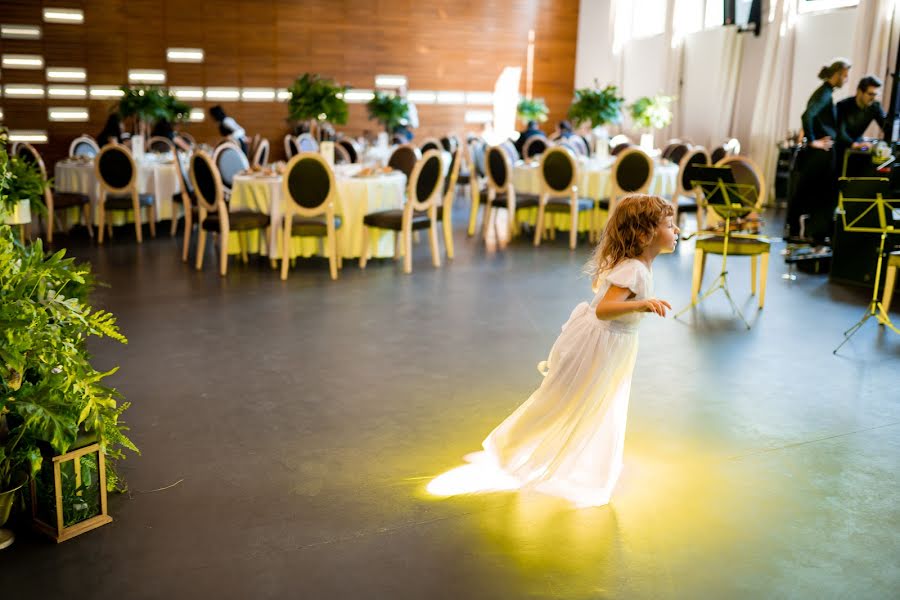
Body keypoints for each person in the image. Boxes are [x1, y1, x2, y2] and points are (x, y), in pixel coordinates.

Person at [435, 195, 678, 507]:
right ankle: (515, 447)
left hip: (614, 343)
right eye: (669, 225)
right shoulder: (634, 270)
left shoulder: (638, 265)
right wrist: (642, 304)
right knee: (572, 401)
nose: (677, 230)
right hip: (602, 344)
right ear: (645, 235)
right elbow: (605, 309)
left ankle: (575, 458)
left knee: (590, 402)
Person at [791, 58, 851, 244]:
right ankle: (801, 232)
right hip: (820, 154)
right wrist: (813, 142)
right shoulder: (824, 93)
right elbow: (807, 115)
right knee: (811, 193)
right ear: (837, 74)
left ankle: (810, 233)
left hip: (823, 153)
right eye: (845, 76)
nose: (846, 80)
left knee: (816, 194)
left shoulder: (826, 92)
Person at [836, 75, 887, 164]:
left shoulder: (875, 106)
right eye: (870, 94)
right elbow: (840, 133)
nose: (873, 98)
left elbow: (886, 127)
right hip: (840, 145)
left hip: (859, 145)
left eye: (875, 95)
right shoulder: (842, 106)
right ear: (859, 92)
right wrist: (855, 145)